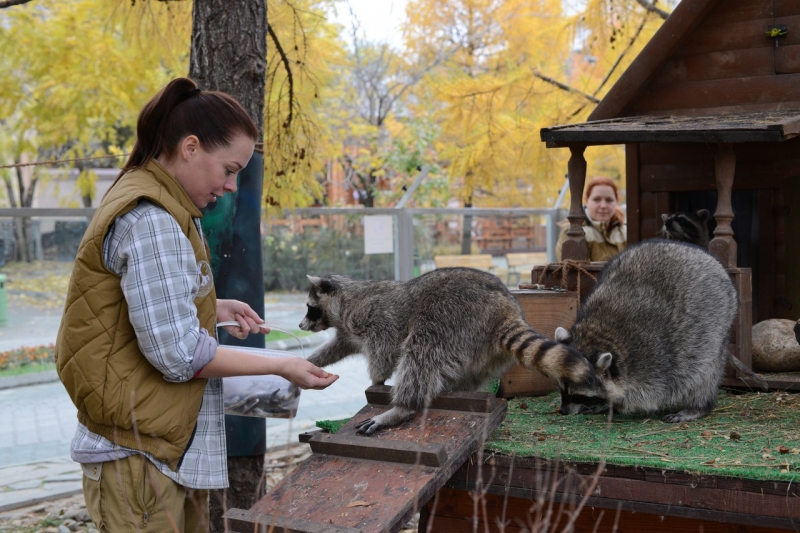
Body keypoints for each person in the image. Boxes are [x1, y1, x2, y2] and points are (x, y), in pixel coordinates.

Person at [55, 77, 339, 532]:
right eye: (228, 169)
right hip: (140, 460)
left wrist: (213, 307)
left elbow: (141, 306)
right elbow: (180, 354)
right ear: (190, 148)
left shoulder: (163, 205)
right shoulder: (153, 219)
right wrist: (281, 365)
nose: (231, 185)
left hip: (157, 450)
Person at [555, 176, 627, 262]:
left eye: (609, 200)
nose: (603, 206)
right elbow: (572, 269)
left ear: (616, 201)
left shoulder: (627, 233)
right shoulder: (571, 233)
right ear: (586, 200)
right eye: (597, 200)